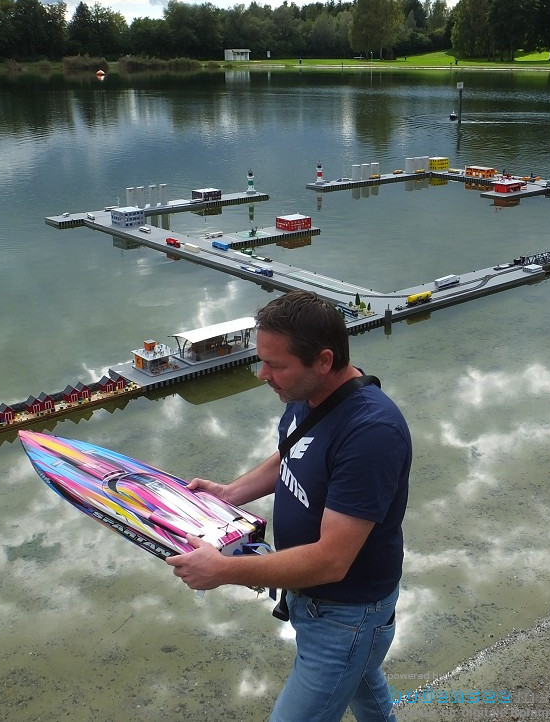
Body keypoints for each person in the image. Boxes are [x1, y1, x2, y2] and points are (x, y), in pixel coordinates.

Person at [166, 290, 412, 722]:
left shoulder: (371, 432)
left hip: (347, 616)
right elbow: (290, 455)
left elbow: (331, 561)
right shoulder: (307, 399)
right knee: (368, 700)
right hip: (316, 605)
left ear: (323, 360)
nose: (262, 374)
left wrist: (223, 571)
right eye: (262, 361)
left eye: (276, 365)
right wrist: (229, 494)